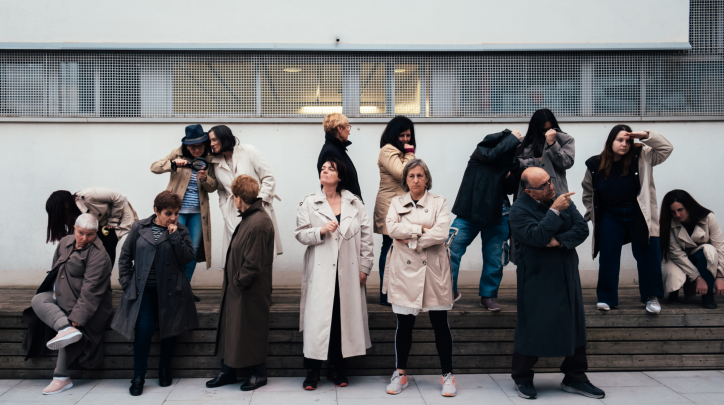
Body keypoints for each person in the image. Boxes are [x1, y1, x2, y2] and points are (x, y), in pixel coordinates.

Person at [509, 167, 604, 400]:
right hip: (537, 275)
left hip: (566, 271)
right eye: (544, 186)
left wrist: (559, 242)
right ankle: (522, 376)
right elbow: (537, 237)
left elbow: (581, 229)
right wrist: (553, 211)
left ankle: (575, 376)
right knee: (533, 324)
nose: (551, 186)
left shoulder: (561, 199)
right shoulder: (518, 211)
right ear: (529, 192)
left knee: (574, 323)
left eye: (550, 181)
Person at [295, 157, 373, 390]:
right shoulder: (310, 202)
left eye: (331, 169)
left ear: (340, 176)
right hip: (321, 272)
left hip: (348, 272)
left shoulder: (355, 203)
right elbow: (300, 234)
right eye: (323, 168)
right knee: (318, 322)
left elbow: (366, 237)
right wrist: (320, 230)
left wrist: (365, 267)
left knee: (341, 320)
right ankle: (312, 371)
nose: (325, 171)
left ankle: (337, 368)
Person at [111, 191, 198, 396]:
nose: (173, 217)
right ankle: (138, 376)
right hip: (144, 291)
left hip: (171, 290)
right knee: (144, 330)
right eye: (168, 213)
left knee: (170, 330)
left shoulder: (181, 230)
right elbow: (125, 257)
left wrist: (175, 236)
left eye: (176, 213)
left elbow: (187, 258)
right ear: (156, 211)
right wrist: (127, 284)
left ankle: (165, 369)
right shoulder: (139, 227)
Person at [382, 159, 456, 398]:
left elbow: (441, 233)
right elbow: (392, 229)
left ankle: (447, 375)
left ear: (427, 179)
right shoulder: (396, 202)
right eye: (411, 176)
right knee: (404, 324)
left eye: (420, 175)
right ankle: (400, 373)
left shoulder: (438, 202)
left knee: (440, 323)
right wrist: (421, 230)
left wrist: (411, 240)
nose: (415, 180)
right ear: (406, 179)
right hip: (404, 271)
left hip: (434, 269)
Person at [582, 126, 673, 314]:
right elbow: (588, 192)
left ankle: (651, 297)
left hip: (638, 213)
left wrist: (646, 135)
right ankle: (606, 298)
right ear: (610, 141)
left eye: (628, 141)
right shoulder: (595, 164)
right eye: (620, 140)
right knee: (608, 254)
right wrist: (592, 213)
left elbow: (666, 148)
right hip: (610, 214)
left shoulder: (643, 156)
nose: (624, 144)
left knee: (648, 254)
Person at [22, 214, 113, 395]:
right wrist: (56, 293)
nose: (84, 238)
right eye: (81, 233)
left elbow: (91, 290)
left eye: (90, 234)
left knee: (71, 319)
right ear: (74, 229)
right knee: (38, 300)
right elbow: (55, 269)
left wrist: (79, 315)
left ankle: (61, 377)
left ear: (96, 232)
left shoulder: (99, 255)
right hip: (63, 294)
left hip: (89, 303)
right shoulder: (65, 242)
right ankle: (65, 328)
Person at [206, 175, 275, 391]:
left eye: (234, 197)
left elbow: (253, 263)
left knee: (251, 329)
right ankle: (228, 371)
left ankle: (259, 374)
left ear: (238, 198)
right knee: (233, 329)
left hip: (249, 290)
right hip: (238, 289)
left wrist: (237, 282)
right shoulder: (249, 218)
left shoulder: (259, 222)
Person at [449, 128, 522, 309]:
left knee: (495, 258)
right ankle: (448, 291)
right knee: (450, 251)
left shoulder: (511, 163)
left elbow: (511, 188)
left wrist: (507, 174)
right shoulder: (480, 154)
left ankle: (488, 295)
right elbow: (492, 155)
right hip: (468, 213)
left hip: (499, 214)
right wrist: (512, 137)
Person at [151, 124, 218, 300]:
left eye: (200, 146)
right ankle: (170, 287)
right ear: (186, 146)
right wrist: (173, 164)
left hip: (198, 213)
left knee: (191, 251)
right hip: (176, 212)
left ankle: (184, 288)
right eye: (192, 147)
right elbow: (154, 167)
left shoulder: (209, 160)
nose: (196, 150)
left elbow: (213, 187)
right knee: (172, 248)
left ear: (205, 144)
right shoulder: (177, 153)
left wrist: (206, 179)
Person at [208, 125, 283, 260]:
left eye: (214, 140)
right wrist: (224, 208)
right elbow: (221, 190)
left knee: (258, 253)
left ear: (224, 137)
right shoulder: (215, 162)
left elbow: (268, 177)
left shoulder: (248, 151)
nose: (211, 144)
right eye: (210, 141)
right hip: (233, 212)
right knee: (236, 255)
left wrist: (260, 201)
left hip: (257, 208)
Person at [373, 116, 417, 305]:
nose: (406, 139)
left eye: (408, 135)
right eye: (402, 135)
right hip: (389, 206)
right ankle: (386, 295)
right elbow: (403, 174)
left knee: (401, 249)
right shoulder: (388, 150)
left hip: (400, 206)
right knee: (389, 248)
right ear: (393, 134)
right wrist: (410, 153)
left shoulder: (400, 151)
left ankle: (398, 292)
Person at [660, 190, 724, 309]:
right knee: (673, 277)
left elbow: (720, 247)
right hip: (678, 260)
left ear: (689, 206)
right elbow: (676, 254)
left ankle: (708, 295)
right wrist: (697, 278)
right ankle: (674, 292)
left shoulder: (708, 218)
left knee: (709, 251)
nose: (677, 215)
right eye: (673, 212)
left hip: (700, 257)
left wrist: (720, 277)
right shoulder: (669, 222)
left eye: (680, 210)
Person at [45, 188, 139, 265]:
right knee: (95, 248)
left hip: (118, 215)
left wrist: (113, 221)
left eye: (55, 212)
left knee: (109, 244)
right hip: (101, 222)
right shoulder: (72, 215)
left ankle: (105, 277)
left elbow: (117, 197)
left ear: (66, 205)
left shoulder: (88, 195)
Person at [514, 108, 575, 197]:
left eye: (550, 129)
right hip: (530, 195)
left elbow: (566, 163)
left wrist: (552, 144)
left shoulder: (565, 140)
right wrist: (536, 161)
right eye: (543, 130)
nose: (546, 133)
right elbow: (515, 164)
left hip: (556, 192)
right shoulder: (523, 143)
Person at [317, 113, 362, 200]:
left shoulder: (337, 150)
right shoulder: (330, 152)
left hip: (348, 204)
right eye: (347, 127)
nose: (349, 132)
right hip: (343, 206)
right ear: (339, 129)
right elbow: (331, 187)